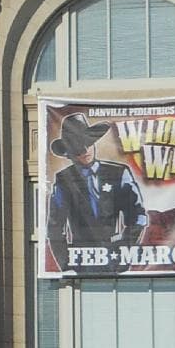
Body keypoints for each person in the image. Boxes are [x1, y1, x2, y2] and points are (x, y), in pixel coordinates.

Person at [45, 111, 147, 273]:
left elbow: (138, 216)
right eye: (78, 145)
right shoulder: (64, 180)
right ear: (69, 151)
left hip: (115, 256)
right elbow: (55, 226)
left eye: (88, 142)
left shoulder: (119, 173)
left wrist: (124, 251)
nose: (85, 149)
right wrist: (66, 264)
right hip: (80, 260)